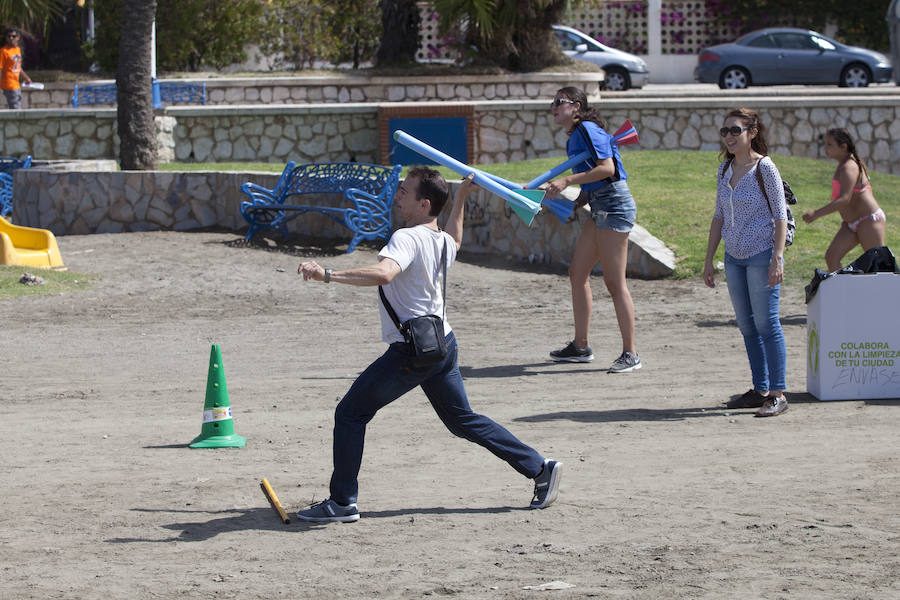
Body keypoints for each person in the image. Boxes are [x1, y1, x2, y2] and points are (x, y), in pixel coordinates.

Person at [295, 167, 561, 523]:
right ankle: (540, 468)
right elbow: (456, 238)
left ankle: (342, 502)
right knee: (462, 420)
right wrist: (462, 197)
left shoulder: (406, 238)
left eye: (405, 191)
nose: (398, 195)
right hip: (442, 343)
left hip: (412, 351)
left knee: (350, 413)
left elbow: (385, 273)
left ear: (424, 203)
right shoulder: (439, 240)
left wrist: (327, 275)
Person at [542, 86, 640, 373]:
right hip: (599, 204)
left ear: (576, 106)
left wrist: (566, 181)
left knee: (614, 282)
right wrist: (573, 203)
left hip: (615, 205)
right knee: (577, 273)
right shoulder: (576, 135)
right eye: (553, 103)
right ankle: (581, 346)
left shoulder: (586, 128)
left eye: (559, 102)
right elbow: (592, 182)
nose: (554, 107)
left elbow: (607, 169)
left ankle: (631, 353)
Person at [702, 108, 789, 417]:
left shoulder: (765, 168)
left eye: (735, 130)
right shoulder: (725, 170)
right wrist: (709, 258)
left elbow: (780, 215)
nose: (728, 136)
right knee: (747, 326)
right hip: (734, 258)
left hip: (761, 254)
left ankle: (777, 393)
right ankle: (759, 389)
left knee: (767, 324)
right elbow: (718, 216)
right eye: (725, 130)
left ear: (752, 132)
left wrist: (777, 257)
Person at [802, 128, 887, 271]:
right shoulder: (842, 164)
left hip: (869, 220)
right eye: (825, 144)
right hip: (850, 223)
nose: (825, 148)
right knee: (832, 257)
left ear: (843, 147)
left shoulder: (849, 167)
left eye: (830, 145)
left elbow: (844, 199)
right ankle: (845, 291)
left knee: (879, 266)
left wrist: (816, 214)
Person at [1, 28, 31, 110]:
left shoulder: (17, 50)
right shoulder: (4, 51)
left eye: (13, 36)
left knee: (17, 105)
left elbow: (18, 67)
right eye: (9, 36)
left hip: (16, 84)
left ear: (18, 38)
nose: (11, 38)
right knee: (16, 108)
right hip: (8, 84)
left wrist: (26, 78)